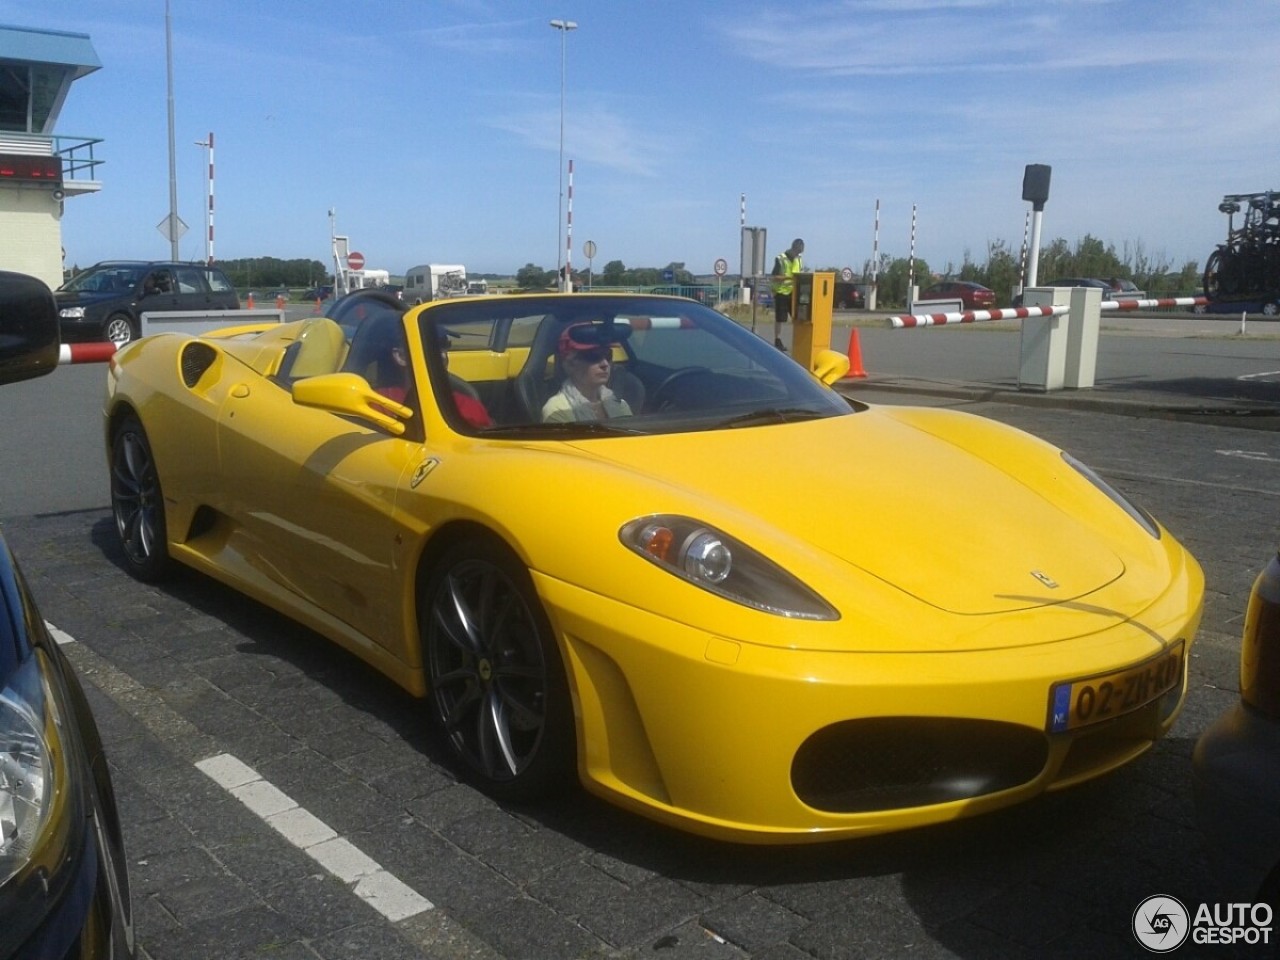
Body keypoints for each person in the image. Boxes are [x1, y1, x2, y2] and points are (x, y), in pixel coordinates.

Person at [541, 323, 632, 422]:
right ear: (571, 363)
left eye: (607, 355)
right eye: (593, 356)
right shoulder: (557, 410)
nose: (605, 364)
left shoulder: (620, 405)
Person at [770, 238, 805, 349]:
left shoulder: (799, 259)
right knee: (780, 318)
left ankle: (799, 341)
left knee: (798, 317)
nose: (797, 255)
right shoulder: (781, 259)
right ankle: (777, 340)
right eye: (796, 252)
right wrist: (790, 278)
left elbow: (801, 273)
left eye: (799, 253)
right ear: (792, 248)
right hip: (781, 292)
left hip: (794, 292)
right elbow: (775, 277)